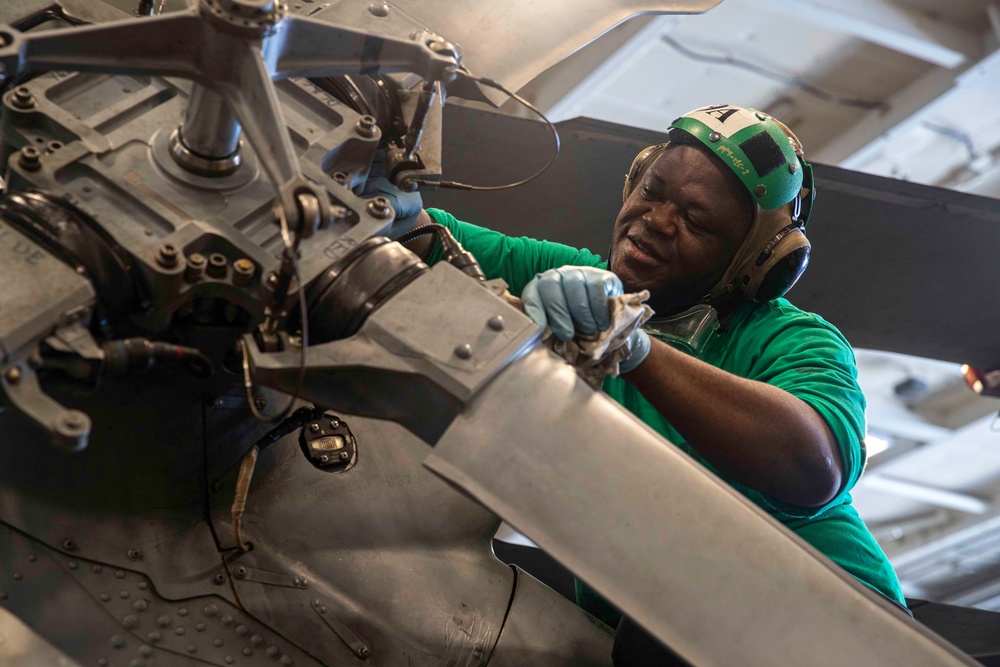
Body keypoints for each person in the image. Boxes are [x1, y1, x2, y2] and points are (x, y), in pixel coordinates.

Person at [380, 104, 905, 657]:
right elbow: (422, 241)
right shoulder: (582, 283)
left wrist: (634, 345)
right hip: (662, 636)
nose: (655, 220)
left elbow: (813, 465)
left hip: (841, 633)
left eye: (697, 221)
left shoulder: (793, 339)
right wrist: (373, 190)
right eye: (652, 190)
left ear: (754, 260)